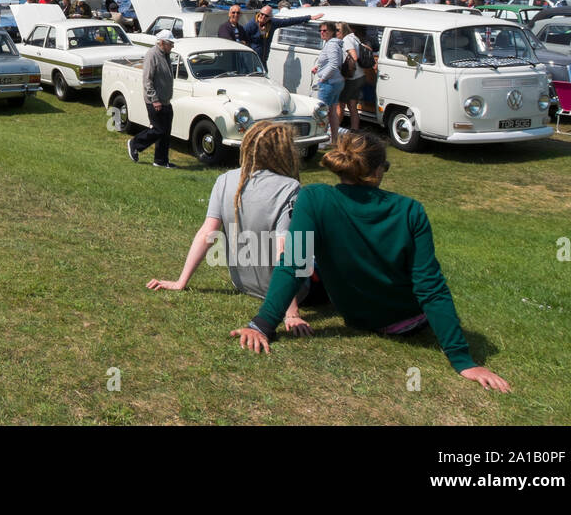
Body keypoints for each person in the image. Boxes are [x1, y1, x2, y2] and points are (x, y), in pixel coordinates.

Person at [231, 132, 512, 392]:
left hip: (356, 316)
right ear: (378, 171)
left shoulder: (314, 198)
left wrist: (261, 325)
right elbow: (430, 288)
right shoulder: (410, 210)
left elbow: (293, 263)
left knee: (305, 257)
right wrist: (463, 360)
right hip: (408, 321)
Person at [147, 121, 319, 334]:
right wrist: (290, 311)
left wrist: (181, 281)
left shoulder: (225, 180)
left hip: (242, 283)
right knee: (319, 244)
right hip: (287, 291)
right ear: (285, 151)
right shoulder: (290, 188)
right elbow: (284, 250)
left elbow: (207, 232)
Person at [128, 30, 178, 169]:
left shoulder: (166, 54)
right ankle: (135, 144)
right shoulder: (152, 55)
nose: (172, 46)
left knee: (166, 132)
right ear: (161, 43)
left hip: (166, 100)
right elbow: (147, 80)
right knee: (158, 129)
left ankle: (161, 160)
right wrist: (154, 99)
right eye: (170, 43)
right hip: (154, 100)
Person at [239, 5, 324, 66]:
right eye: (261, 14)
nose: (262, 17)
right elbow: (241, 40)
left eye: (266, 16)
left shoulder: (272, 23)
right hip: (252, 60)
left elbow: (289, 21)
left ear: (270, 17)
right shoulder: (251, 25)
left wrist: (309, 17)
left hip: (263, 60)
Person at [310, 21, 345, 144]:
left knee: (322, 112)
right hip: (336, 81)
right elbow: (330, 62)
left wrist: (323, 78)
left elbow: (334, 64)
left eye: (325, 30)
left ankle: (322, 140)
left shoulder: (331, 45)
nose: (322, 33)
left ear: (332, 32)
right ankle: (334, 139)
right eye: (320, 30)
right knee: (332, 112)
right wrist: (318, 68)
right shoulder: (334, 44)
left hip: (330, 83)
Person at [337, 22, 368, 134]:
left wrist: (345, 73)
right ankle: (354, 130)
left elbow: (353, 56)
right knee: (352, 105)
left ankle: (334, 132)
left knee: (340, 105)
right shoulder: (354, 37)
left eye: (337, 31)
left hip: (351, 79)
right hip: (360, 76)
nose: (336, 33)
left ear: (342, 31)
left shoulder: (346, 40)